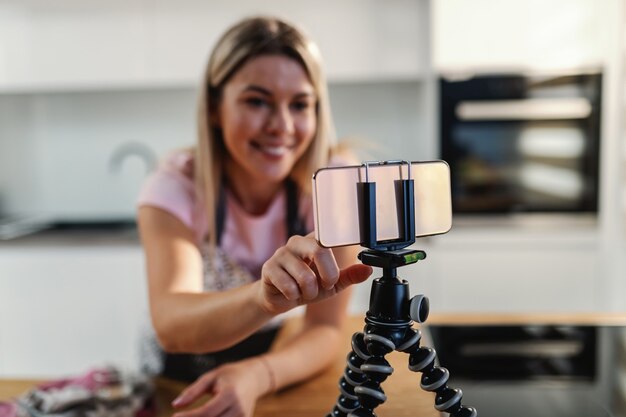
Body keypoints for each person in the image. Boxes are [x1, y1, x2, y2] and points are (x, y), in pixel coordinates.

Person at [136, 16, 372, 417]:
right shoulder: (175, 186)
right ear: (214, 107)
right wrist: (263, 295)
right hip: (177, 377)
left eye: (300, 104)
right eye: (257, 101)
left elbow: (324, 329)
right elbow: (172, 324)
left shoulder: (336, 186)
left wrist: (257, 376)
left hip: (278, 364)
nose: (281, 126)